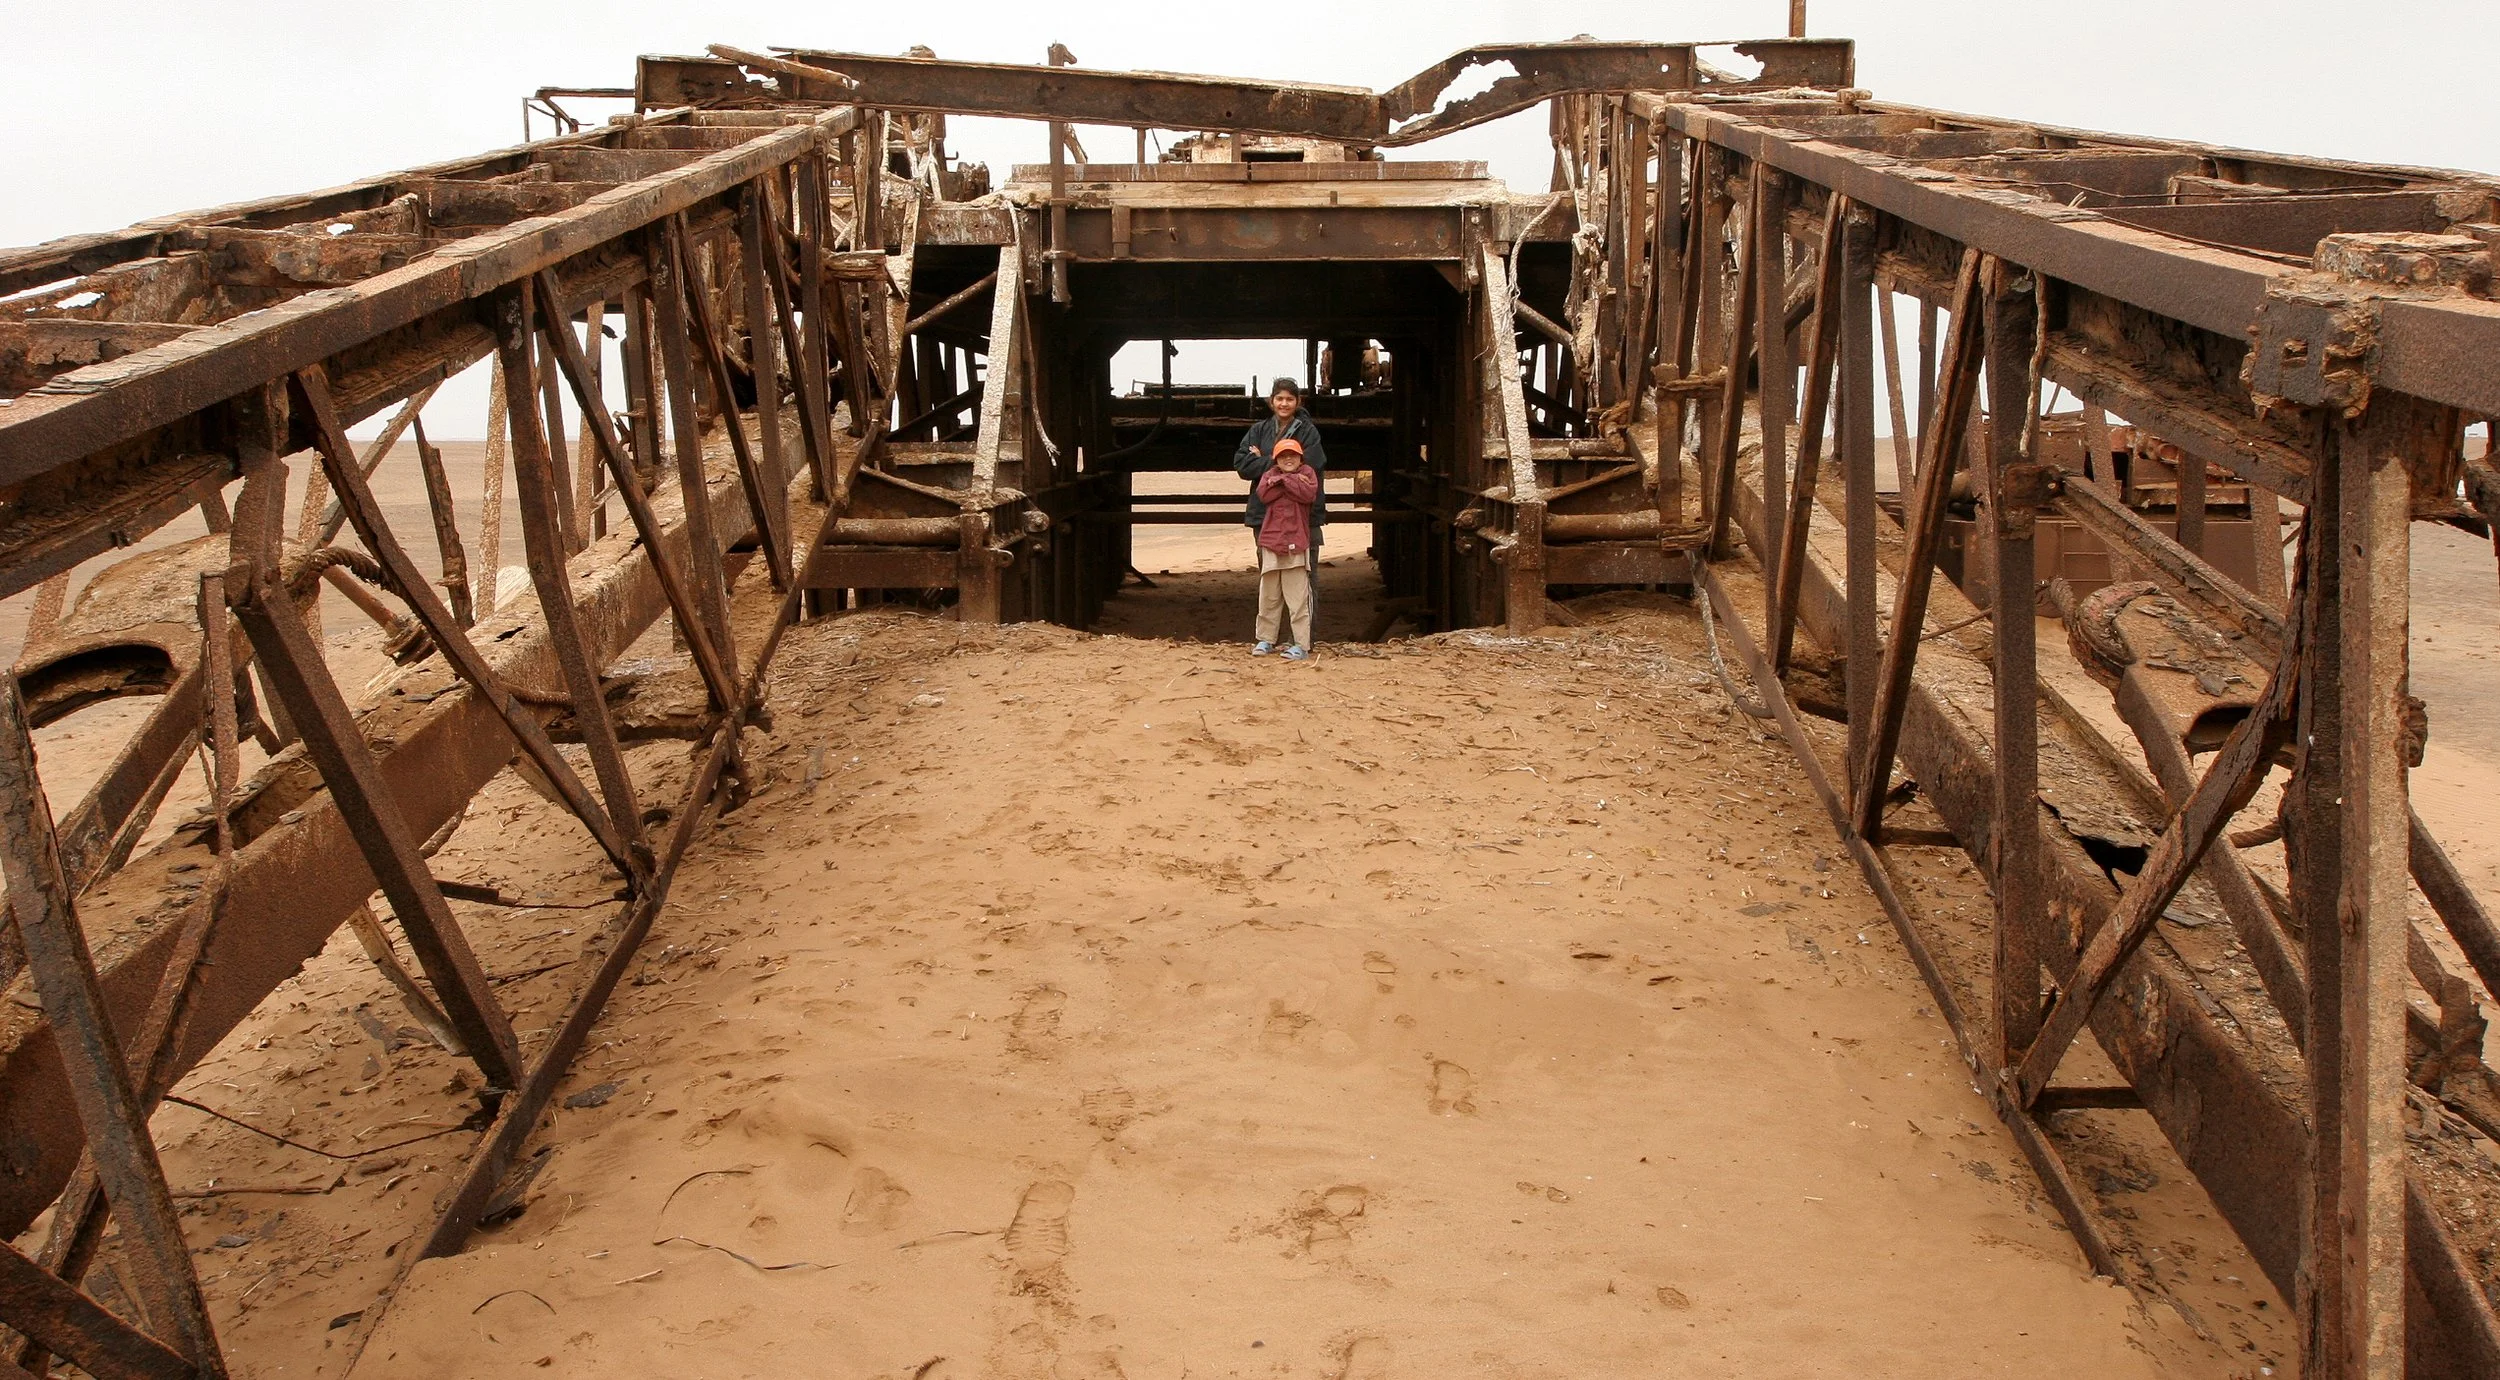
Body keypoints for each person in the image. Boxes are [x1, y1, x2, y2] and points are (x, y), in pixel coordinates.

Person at [1234, 377, 1326, 653]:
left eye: (1289, 399)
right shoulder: (1259, 429)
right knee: (1270, 581)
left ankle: (1301, 641)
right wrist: (1281, 465)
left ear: (1298, 402)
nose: (1284, 403)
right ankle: (1268, 638)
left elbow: (1312, 465)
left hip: (1303, 518)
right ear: (1271, 401)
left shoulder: (1308, 431)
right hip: (1265, 517)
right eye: (1279, 398)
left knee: (1303, 582)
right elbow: (1242, 464)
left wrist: (1264, 461)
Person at [1250, 437, 1319, 659]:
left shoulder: (1308, 473)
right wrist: (1290, 481)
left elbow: (1307, 494)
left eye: (1292, 455)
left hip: (1296, 542)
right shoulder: (1269, 474)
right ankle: (1265, 640)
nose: (1288, 459)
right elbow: (1264, 494)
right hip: (1272, 540)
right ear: (1276, 459)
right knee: (1269, 595)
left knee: (1298, 597)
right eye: (1283, 456)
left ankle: (1301, 644)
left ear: (1301, 458)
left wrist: (1281, 481)